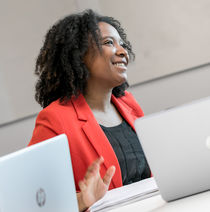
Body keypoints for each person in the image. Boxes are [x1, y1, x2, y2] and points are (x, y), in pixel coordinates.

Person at [29, 9, 151, 211]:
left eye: (122, 43)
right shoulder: (54, 119)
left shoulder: (129, 104)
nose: (123, 51)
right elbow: (33, 200)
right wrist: (80, 202)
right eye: (109, 43)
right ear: (79, 55)